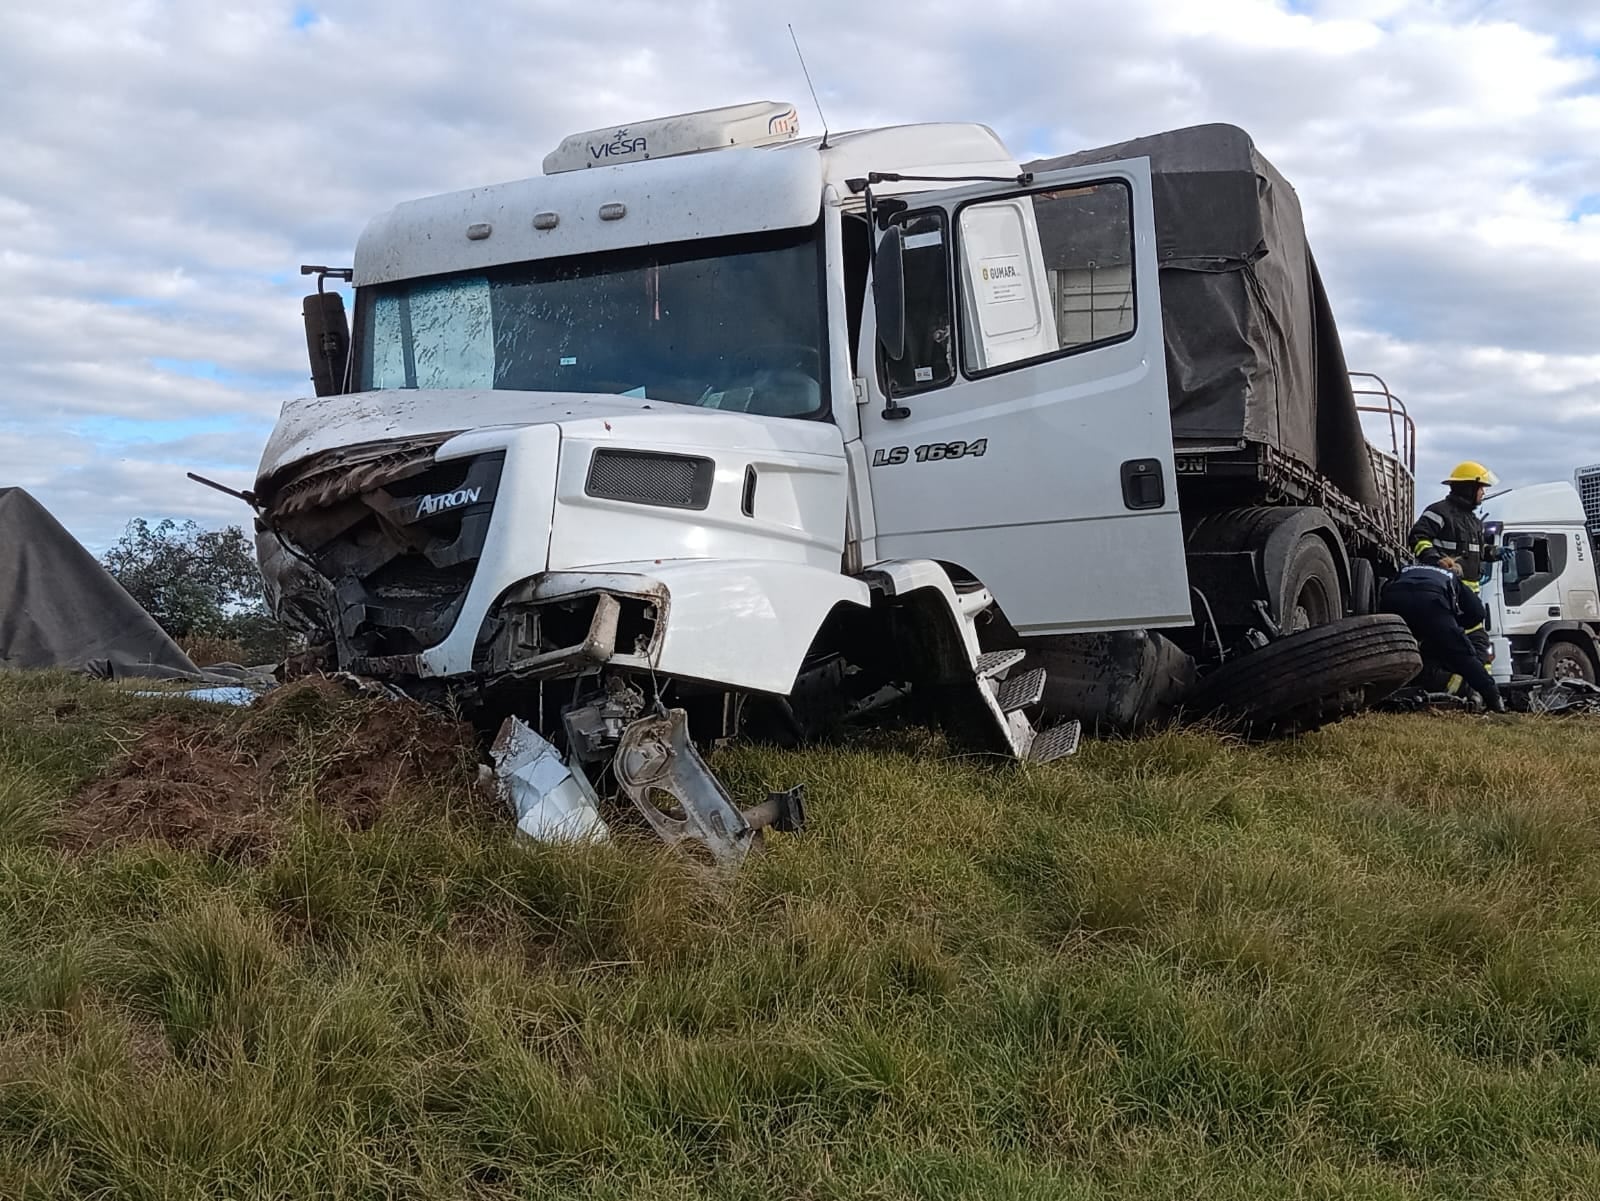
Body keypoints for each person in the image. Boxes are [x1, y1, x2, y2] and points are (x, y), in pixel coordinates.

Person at [1381, 557, 1506, 712]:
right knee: (1463, 656)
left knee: (1388, 652)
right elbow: (1478, 612)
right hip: (1433, 605)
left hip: (1394, 600)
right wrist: (1455, 625)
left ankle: (1377, 695)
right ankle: (1495, 701)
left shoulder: (1407, 569)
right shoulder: (1451, 577)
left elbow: (1385, 588)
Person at [1410, 460, 1498, 669]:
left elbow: (1474, 552)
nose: (1483, 494)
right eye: (1481, 489)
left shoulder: (1474, 522)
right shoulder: (1439, 512)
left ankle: (1479, 695)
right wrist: (1436, 561)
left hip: (1469, 601)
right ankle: (1460, 694)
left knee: (1480, 648)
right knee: (1449, 649)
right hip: (1445, 596)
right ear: (1469, 488)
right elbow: (1418, 538)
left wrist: (1494, 553)